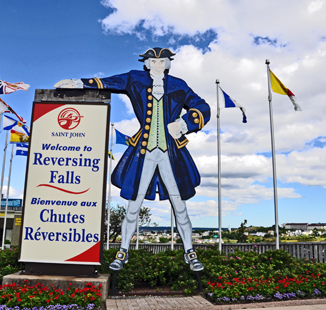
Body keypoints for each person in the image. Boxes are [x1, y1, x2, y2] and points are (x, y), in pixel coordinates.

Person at [54, 47, 211, 271]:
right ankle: (123, 251)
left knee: (179, 205)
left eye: (162, 61)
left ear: (168, 64)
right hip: (143, 151)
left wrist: (185, 124)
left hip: (171, 153)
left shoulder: (179, 85)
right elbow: (108, 82)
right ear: (146, 64)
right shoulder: (134, 79)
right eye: (153, 61)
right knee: (133, 206)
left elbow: (203, 107)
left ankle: (189, 252)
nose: (157, 65)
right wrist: (79, 83)